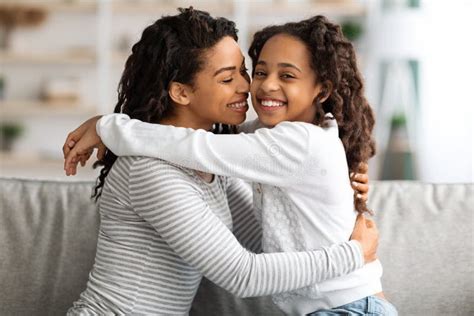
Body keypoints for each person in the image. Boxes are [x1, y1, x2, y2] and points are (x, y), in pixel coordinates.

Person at [64, 9, 378, 315]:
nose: (247, 86)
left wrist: (332, 186)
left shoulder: (216, 164)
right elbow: (244, 275)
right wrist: (352, 254)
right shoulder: (148, 169)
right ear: (181, 92)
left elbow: (266, 240)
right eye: (228, 78)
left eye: (244, 71)